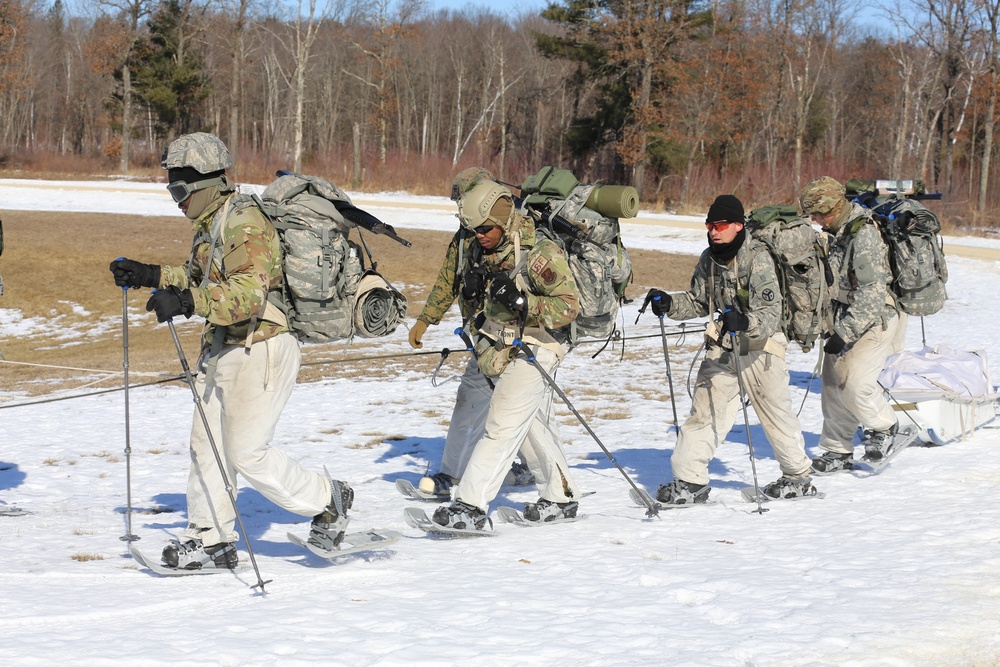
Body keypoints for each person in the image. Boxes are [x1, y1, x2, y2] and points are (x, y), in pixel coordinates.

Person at [109, 132, 353, 570]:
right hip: (223, 348)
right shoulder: (213, 223)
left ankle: (328, 497)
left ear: (204, 184)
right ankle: (211, 540)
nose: (175, 199)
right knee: (206, 448)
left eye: (179, 189)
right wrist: (149, 274)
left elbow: (249, 295)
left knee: (246, 453)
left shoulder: (244, 221)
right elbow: (198, 275)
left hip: (260, 348)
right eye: (170, 189)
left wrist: (187, 303)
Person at [429, 179, 583, 529]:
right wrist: (470, 293)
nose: (478, 235)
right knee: (532, 428)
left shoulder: (540, 252)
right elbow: (476, 307)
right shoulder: (479, 249)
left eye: (485, 228)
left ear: (503, 220)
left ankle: (470, 506)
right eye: (472, 229)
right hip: (497, 347)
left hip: (539, 345)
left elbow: (570, 307)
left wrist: (523, 301)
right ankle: (562, 497)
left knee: (501, 425)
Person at [645, 194, 816, 504]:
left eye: (721, 225)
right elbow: (698, 301)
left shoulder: (757, 257)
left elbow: (769, 316)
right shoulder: (708, 258)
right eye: (710, 225)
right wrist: (669, 303)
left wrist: (744, 320)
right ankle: (690, 481)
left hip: (762, 348)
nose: (714, 231)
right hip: (725, 346)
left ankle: (798, 477)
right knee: (704, 411)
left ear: (738, 225)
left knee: (775, 414)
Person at [407, 167, 534, 498]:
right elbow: (449, 277)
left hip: (521, 338)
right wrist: (426, 319)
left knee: (529, 412)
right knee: (470, 400)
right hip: (482, 337)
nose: (463, 209)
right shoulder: (466, 237)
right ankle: (450, 474)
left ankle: (551, 481)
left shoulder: (525, 234)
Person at [800, 176, 905, 473]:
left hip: (874, 316)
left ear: (834, 207)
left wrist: (844, 333)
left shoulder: (864, 234)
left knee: (855, 381)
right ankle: (837, 449)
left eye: (820, 214)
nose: (816, 220)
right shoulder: (837, 230)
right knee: (833, 383)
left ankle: (884, 427)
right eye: (813, 215)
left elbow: (871, 294)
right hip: (843, 313)